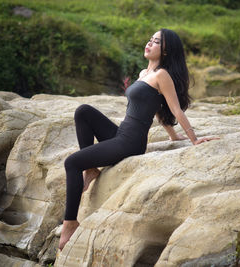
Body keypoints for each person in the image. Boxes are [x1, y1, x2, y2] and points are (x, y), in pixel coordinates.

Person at [59, 28, 219, 250]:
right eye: (150, 39)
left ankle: (70, 223)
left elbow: (174, 109)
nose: (149, 44)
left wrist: (194, 139)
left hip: (130, 142)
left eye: (156, 42)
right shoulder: (145, 73)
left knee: (71, 162)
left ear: (166, 50)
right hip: (121, 132)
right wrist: (172, 134)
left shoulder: (163, 76)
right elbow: (156, 109)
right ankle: (91, 170)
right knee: (83, 111)